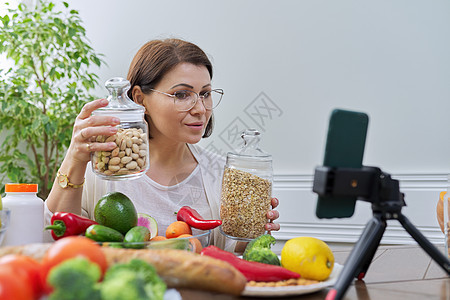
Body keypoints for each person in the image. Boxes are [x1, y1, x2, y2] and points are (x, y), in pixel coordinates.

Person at [45, 38, 280, 251]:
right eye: (181, 95)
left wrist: (253, 232)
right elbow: (52, 239)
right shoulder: (105, 168)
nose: (200, 109)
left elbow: (231, 259)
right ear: (139, 99)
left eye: (205, 94)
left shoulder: (222, 174)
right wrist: (74, 158)